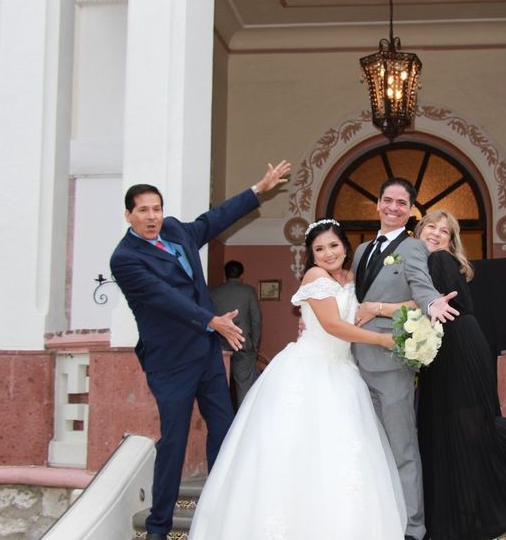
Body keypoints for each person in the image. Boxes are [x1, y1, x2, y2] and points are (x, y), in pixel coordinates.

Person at [359, 209, 506, 540]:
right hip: (444, 351)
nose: (435, 234)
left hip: (458, 349)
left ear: (452, 241)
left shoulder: (439, 261)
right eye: (430, 227)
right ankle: (459, 516)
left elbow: (428, 305)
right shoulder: (422, 264)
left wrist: (374, 307)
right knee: (451, 432)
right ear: (418, 230)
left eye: (444, 231)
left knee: (473, 428)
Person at [189, 219, 407, 539]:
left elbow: (367, 309)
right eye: (319, 249)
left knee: (343, 459)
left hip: (343, 371)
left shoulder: (352, 278)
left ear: (346, 246)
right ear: (311, 254)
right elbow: (333, 325)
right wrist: (384, 341)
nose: (328, 253)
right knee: (295, 454)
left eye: (333, 245)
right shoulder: (315, 276)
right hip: (310, 369)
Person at [109, 160, 291, 540]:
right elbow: (165, 298)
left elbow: (213, 220)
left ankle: (221, 508)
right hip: (170, 361)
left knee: (223, 429)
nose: (152, 216)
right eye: (143, 210)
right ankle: (158, 527)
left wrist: (257, 189)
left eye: (156, 208)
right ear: (129, 215)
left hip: (206, 353)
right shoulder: (125, 259)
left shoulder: (175, 229)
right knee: (174, 442)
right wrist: (211, 321)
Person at [351, 178, 459, 540]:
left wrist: (432, 303)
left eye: (401, 203)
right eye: (387, 201)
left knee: (402, 450)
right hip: (353, 362)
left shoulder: (413, 247)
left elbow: (420, 284)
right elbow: (351, 295)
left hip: (390, 363)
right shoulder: (362, 249)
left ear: (411, 209)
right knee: (368, 448)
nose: (393, 208)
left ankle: (414, 528)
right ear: (378, 204)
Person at [209, 259, 262, 410]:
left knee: (219, 387)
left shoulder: (213, 293)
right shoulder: (249, 291)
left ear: (225, 275)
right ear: (242, 275)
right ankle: (242, 423)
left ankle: (224, 422)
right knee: (244, 387)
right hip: (244, 344)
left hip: (220, 346)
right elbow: (256, 319)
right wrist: (255, 344)